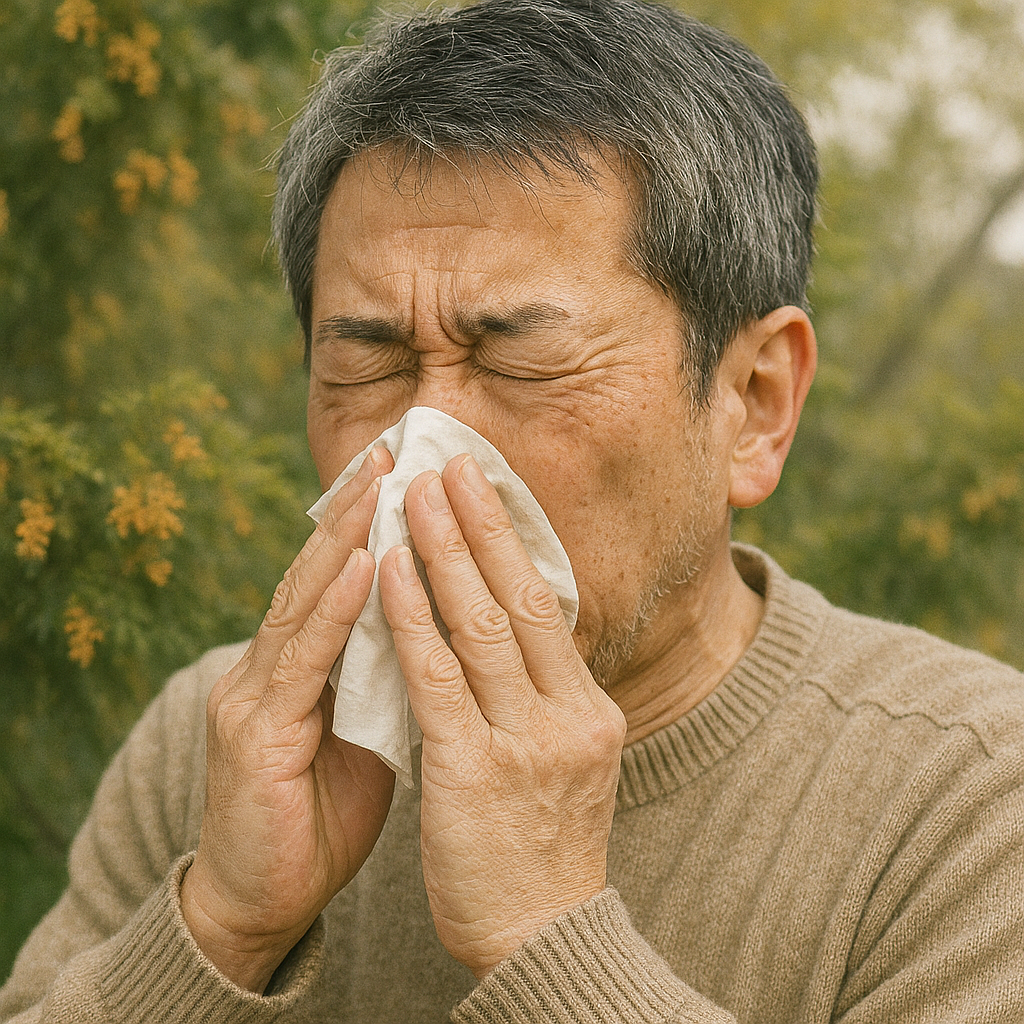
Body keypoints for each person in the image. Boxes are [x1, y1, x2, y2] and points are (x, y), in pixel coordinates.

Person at [3, 0, 1023, 1020]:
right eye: (366, 365)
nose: (428, 456)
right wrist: (222, 927)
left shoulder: (972, 802)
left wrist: (547, 937)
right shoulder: (228, 743)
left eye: (523, 362)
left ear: (752, 403)